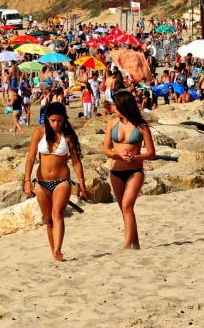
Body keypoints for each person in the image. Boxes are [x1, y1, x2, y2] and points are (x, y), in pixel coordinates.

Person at [23, 102, 88, 261]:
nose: (56, 124)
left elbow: (76, 162)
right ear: (47, 119)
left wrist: (82, 186)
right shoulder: (39, 134)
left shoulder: (68, 137)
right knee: (49, 220)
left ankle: (58, 248)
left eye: (59, 121)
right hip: (41, 183)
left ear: (64, 120)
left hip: (62, 181)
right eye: (53, 120)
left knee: (57, 214)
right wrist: (26, 181)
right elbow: (30, 158)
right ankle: (55, 253)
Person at [103, 91, 156, 249]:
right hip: (116, 171)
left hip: (135, 171)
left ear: (123, 106)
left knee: (127, 206)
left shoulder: (141, 127)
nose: (112, 107)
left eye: (115, 105)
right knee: (126, 210)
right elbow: (106, 149)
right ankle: (136, 245)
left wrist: (136, 157)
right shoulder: (112, 123)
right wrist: (117, 154)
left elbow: (151, 153)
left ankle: (126, 246)